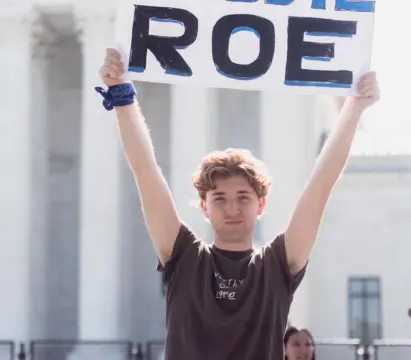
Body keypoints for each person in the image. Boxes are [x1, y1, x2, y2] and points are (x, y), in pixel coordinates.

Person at [97, 47, 380, 360]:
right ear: (204, 207)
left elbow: (320, 186)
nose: (232, 208)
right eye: (220, 199)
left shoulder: (277, 264)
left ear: (260, 204)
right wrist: (122, 96)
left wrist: (353, 110)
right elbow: (145, 172)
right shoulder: (183, 256)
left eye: (243, 197)